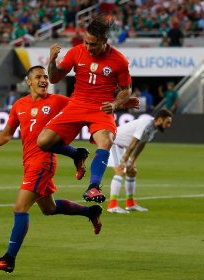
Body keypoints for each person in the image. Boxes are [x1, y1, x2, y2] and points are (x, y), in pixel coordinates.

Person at [0, 66, 102, 273]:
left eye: (46, 76)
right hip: (29, 162)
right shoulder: (19, 105)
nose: (44, 79)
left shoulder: (57, 101)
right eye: (38, 77)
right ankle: (91, 211)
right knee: (49, 209)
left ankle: (9, 259)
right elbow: (8, 133)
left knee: (20, 208)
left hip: (42, 163)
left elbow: (82, 108)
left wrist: (111, 107)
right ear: (29, 82)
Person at [37, 13, 136, 204]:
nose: (88, 48)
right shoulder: (76, 52)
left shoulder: (119, 61)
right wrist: (51, 62)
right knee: (42, 142)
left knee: (105, 141)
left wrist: (115, 104)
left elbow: (126, 90)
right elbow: (55, 78)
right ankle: (77, 154)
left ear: (104, 41)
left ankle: (93, 187)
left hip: (101, 108)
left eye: (93, 44)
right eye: (86, 43)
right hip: (76, 104)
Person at [107, 109, 173, 214]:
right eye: (167, 122)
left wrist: (132, 160)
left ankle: (130, 204)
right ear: (160, 119)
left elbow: (142, 144)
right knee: (120, 170)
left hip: (122, 146)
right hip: (113, 142)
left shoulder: (153, 128)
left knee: (132, 172)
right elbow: (134, 142)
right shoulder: (146, 123)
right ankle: (112, 205)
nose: (169, 125)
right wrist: (124, 160)